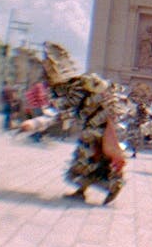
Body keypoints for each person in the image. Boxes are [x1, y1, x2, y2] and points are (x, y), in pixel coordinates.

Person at [20, 42, 126, 205]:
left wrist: (35, 123)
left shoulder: (72, 88)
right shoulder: (79, 83)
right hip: (98, 124)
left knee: (86, 158)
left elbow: (61, 114)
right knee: (94, 158)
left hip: (94, 126)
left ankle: (110, 185)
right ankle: (94, 187)